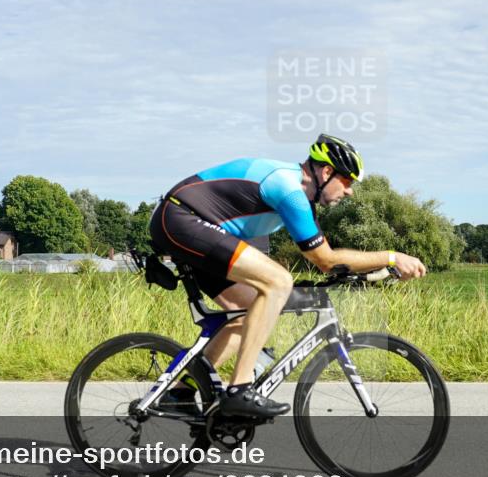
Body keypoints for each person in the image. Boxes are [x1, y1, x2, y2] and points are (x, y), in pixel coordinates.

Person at [148, 134, 427, 417]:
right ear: (327, 172)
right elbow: (326, 259)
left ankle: (178, 393)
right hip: (181, 219)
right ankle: (239, 390)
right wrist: (392, 257)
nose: (350, 191)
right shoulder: (288, 189)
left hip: (198, 228)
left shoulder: (302, 200)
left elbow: (325, 262)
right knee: (278, 281)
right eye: (348, 181)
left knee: (244, 314)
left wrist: (378, 271)